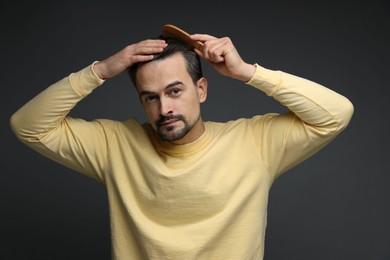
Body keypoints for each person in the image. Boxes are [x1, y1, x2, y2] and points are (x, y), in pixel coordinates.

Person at [10, 28, 354, 259]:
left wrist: (248, 72)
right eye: (150, 97)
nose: (165, 109)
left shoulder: (255, 142)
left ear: (200, 89)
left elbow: (336, 113)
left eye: (175, 91)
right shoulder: (115, 145)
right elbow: (28, 126)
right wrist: (100, 70)